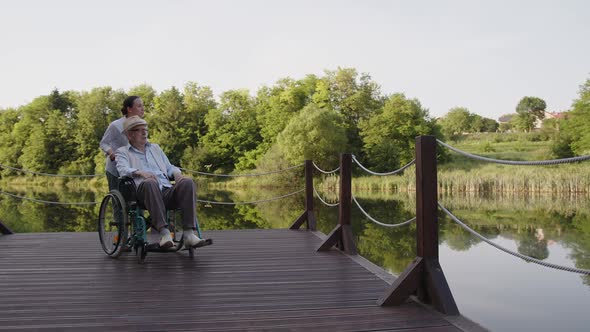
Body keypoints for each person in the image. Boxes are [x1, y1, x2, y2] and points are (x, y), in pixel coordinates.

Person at [115, 116, 204, 249]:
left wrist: (177, 174)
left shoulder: (155, 148)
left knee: (187, 182)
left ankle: (189, 234)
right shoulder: (122, 152)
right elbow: (122, 169)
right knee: (150, 183)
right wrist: (140, 172)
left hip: (166, 190)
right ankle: (165, 234)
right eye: (139, 130)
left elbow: (169, 167)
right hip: (143, 193)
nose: (144, 132)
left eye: (145, 129)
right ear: (130, 134)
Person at [100, 96, 145, 190]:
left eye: (143, 105)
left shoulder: (142, 124)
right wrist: (111, 152)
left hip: (134, 167)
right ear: (129, 109)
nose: (143, 108)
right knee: (119, 201)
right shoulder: (116, 125)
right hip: (115, 169)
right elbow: (104, 143)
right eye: (139, 106)